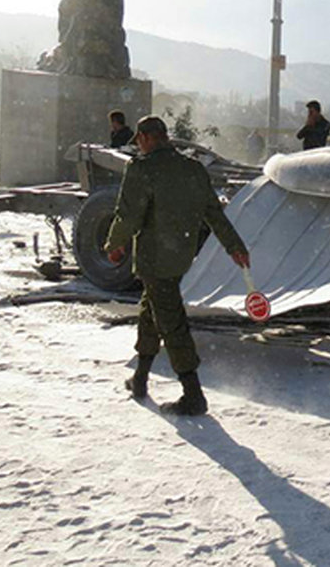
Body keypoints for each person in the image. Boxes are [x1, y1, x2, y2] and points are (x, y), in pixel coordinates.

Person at [103, 116, 251, 416]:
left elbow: (128, 215)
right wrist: (234, 246)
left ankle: (193, 393)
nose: (139, 147)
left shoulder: (141, 169)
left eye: (139, 142)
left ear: (145, 138)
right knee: (151, 310)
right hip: (181, 255)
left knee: (171, 321)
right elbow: (214, 213)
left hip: (153, 257)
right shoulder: (193, 169)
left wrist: (113, 245)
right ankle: (141, 379)